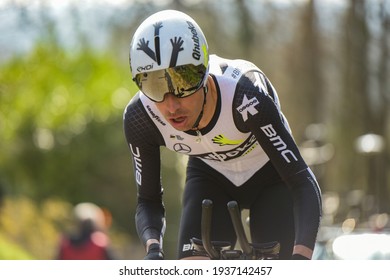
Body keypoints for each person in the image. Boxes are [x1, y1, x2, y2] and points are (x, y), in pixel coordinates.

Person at [124, 9, 322, 260]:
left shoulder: (245, 95)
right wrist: (153, 250)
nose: (171, 105)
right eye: (154, 86)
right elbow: (148, 200)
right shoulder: (140, 117)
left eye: (183, 85)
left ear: (204, 73)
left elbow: (302, 182)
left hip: (272, 177)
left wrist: (301, 259)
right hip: (211, 178)